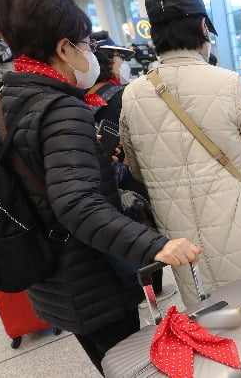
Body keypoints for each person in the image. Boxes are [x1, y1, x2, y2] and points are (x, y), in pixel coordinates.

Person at [0, 0, 202, 374]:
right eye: (84, 43)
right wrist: (156, 245)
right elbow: (77, 205)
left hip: (45, 273)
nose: (90, 52)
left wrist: (92, 156)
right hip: (91, 278)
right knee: (129, 364)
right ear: (63, 48)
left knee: (107, 363)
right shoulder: (62, 109)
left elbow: (30, 180)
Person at [120, 0, 241, 307]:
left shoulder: (133, 94)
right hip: (239, 224)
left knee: (210, 324)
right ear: (202, 27)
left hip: (179, 239)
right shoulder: (228, 83)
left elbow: (137, 171)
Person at [86, 31, 178, 303]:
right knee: (147, 227)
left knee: (126, 231)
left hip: (107, 178)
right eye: (117, 57)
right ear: (107, 61)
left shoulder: (83, 98)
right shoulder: (121, 94)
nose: (121, 62)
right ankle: (154, 287)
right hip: (132, 174)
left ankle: (139, 285)